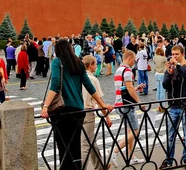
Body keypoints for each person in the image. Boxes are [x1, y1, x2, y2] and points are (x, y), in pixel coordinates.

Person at [41, 39, 113, 170]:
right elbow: (89, 86)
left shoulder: (58, 62)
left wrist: (46, 106)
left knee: (63, 147)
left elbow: (55, 83)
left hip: (62, 111)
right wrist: (102, 104)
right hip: (78, 111)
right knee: (75, 146)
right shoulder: (78, 63)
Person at [160, 45, 186, 169]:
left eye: (176, 54)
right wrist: (169, 74)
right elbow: (165, 85)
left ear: (182, 54)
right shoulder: (171, 68)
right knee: (170, 135)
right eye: (172, 54)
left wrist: (178, 67)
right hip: (173, 106)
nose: (174, 57)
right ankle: (169, 160)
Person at [110, 50, 146, 167]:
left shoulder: (118, 70)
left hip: (119, 104)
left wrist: (135, 89)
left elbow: (124, 89)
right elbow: (129, 88)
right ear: (129, 58)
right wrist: (139, 102)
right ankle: (115, 151)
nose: (135, 61)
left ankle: (131, 157)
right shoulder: (128, 71)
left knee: (129, 131)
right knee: (135, 131)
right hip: (127, 105)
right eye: (134, 59)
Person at [81, 55, 113, 170]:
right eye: (95, 64)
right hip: (88, 112)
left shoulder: (78, 77)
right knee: (85, 144)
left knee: (90, 140)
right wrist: (107, 117)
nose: (96, 66)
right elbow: (99, 101)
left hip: (77, 112)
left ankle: (100, 166)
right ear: (91, 65)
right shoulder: (93, 80)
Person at [153, 47, 167, 111]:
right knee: (162, 91)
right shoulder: (163, 58)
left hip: (156, 74)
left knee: (158, 90)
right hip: (162, 74)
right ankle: (162, 105)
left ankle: (158, 105)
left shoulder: (154, 58)